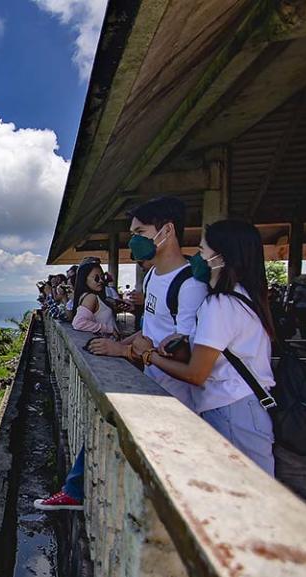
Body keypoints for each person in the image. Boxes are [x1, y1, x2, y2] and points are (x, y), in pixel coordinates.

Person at [34, 196, 208, 511]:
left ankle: (77, 491)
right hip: (152, 382)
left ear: (166, 231)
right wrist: (129, 344)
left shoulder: (189, 285)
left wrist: (123, 350)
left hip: (174, 398)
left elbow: (187, 356)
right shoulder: (154, 277)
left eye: (140, 231)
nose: (134, 240)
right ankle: (75, 489)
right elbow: (152, 333)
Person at [131, 219, 276, 475]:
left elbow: (196, 374)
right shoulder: (243, 296)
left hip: (232, 409)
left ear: (220, 257)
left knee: (245, 495)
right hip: (244, 407)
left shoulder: (220, 304)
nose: (197, 258)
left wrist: (147, 355)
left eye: (201, 251)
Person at [71, 259, 119, 336]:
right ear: (85, 279)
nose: (101, 281)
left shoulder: (88, 295)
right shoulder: (91, 297)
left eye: (102, 277)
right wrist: (109, 329)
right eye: (96, 278)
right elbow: (78, 323)